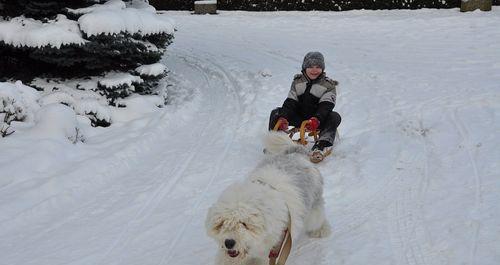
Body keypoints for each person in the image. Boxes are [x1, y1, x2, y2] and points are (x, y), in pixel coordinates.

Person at [268, 51, 341, 161]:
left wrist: (317, 119)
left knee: (334, 116)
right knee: (276, 113)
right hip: (299, 116)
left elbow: (326, 106)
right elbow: (290, 102)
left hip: (318, 119)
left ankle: (322, 145)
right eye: (310, 66)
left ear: (322, 69)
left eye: (318, 67)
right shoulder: (297, 82)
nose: (314, 70)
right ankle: (276, 142)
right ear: (304, 67)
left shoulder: (328, 85)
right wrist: (284, 117)